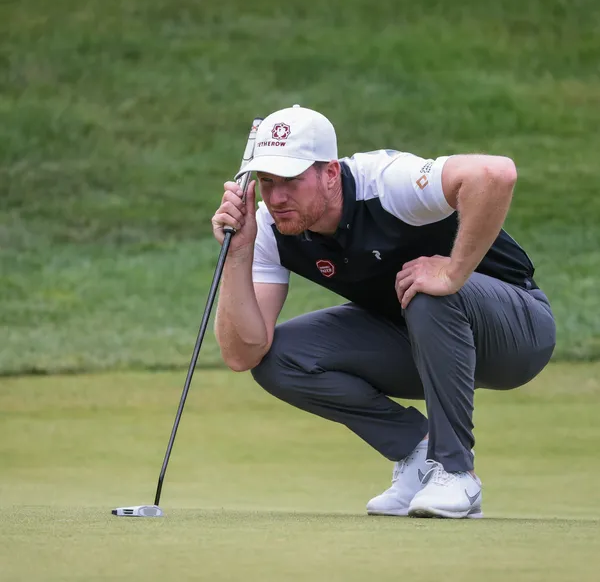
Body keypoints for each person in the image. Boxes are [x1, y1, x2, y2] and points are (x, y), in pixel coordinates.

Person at [211, 105, 556, 519]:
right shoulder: (267, 228)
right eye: (267, 182)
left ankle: (455, 471)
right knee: (279, 359)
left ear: (330, 173)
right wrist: (238, 252)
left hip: (517, 333)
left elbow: (495, 173)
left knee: (425, 289)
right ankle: (417, 452)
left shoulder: (387, 183)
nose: (277, 197)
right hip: (421, 342)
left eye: (291, 181)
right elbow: (243, 352)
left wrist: (452, 272)